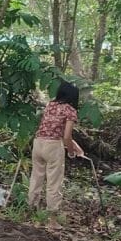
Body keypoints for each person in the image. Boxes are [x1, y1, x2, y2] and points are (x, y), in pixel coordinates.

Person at [27, 82, 84, 225]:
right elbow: (66, 136)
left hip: (38, 143)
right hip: (53, 146)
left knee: (36, 178)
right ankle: (52, 220)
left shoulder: (50, 105)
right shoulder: (70, 110)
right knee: (54, 183)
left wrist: (75, 146)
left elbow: (53, 129)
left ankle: (30, 212)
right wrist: (71, 152)